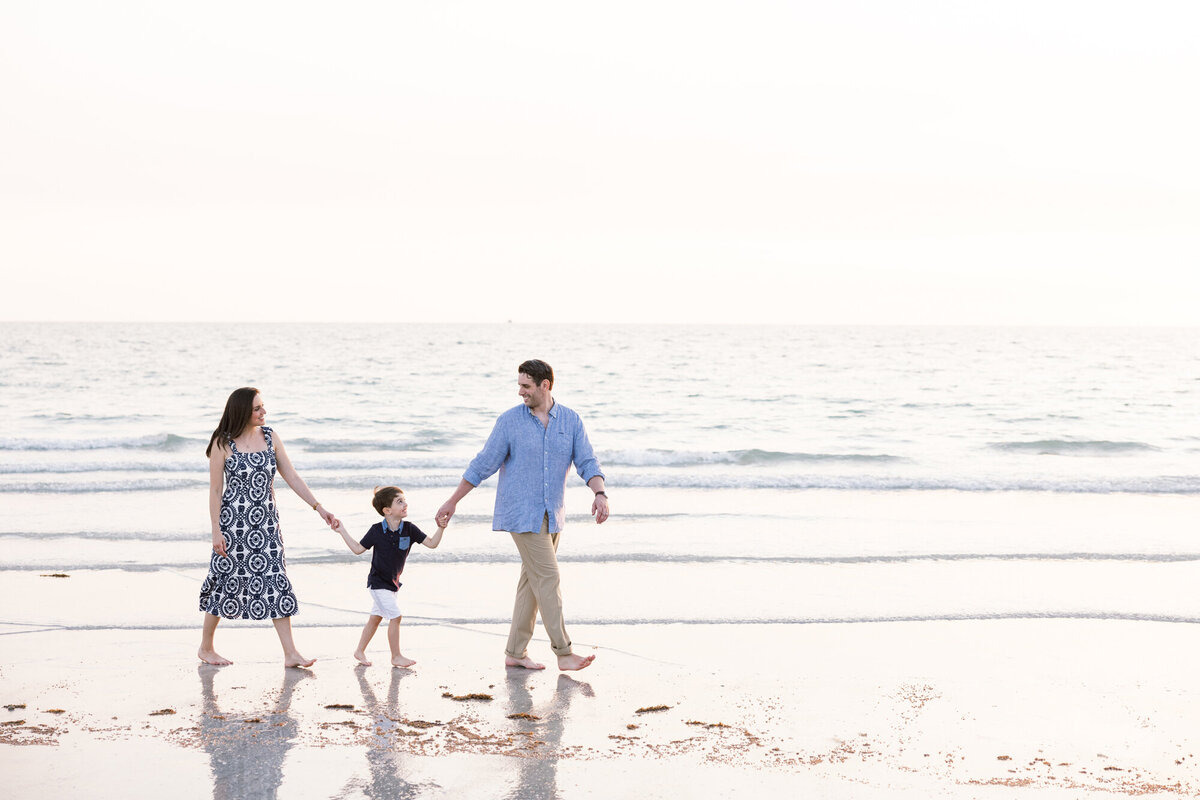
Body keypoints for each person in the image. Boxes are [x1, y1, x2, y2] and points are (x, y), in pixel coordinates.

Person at [436, 359, 608, 672]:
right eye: (519, 385)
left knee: (532, 581)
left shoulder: (570, 420)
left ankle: (515, 651)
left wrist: (599, 494)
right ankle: (564, 652)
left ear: (546, 385)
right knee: (549, 578)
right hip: (520, 513)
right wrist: (453, 501)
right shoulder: (509, 422)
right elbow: (482, 464)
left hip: (552, 513)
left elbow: (587, 461)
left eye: (526, 386)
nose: (520, 392)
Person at [198, 387, 339, 667]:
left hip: (266, 524)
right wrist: (216, 530)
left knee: (275, 581)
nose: (264, 412)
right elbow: (215, 491)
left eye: (263, 407)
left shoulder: (270, 436)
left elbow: (292, 476)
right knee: (224, 580)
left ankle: (290, 654)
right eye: (257, 409)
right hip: (233, 526)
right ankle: (206, 648)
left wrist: (319, 507)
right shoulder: (222, 442)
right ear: (242, 412)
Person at [332, 485, 446, 667]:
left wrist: (441, 528)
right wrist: (342, 530)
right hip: (377, 583)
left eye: (405, 500)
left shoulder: (410, 529)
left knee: (376, 618)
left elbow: (432, 544)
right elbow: (357, 549)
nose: (405, 504)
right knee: (396, 616)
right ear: (387, 510)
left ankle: (359, 651)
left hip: (393, 584)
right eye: (399, 501)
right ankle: (396, 656)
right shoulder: (376, 530)